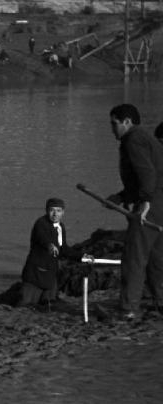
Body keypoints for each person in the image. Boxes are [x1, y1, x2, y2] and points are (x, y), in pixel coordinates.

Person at [106, 104, 163, 320]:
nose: (112, 129)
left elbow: (147, 174)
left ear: (127, 122)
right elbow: (142, 178)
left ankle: (128, 308)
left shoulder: (133, 140)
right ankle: (160, 302)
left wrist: (145, 203)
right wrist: (121, 197)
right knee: (157, 256)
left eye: (114, 124)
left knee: (134, 256)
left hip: (152, 204)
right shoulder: (146, 139)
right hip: (160, 203)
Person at [19, 198, 93, 308]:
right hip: (35, 271)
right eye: (52, 210)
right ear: (46, 211)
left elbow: (64, 249)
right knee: (24, 304)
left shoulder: (61, 227)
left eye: (58, 211)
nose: (55, 214)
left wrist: (82, 256)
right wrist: (50, 245)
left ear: (63, 212)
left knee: (48, 304)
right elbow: (41, 238)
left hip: (50, 272)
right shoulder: (40, 223)